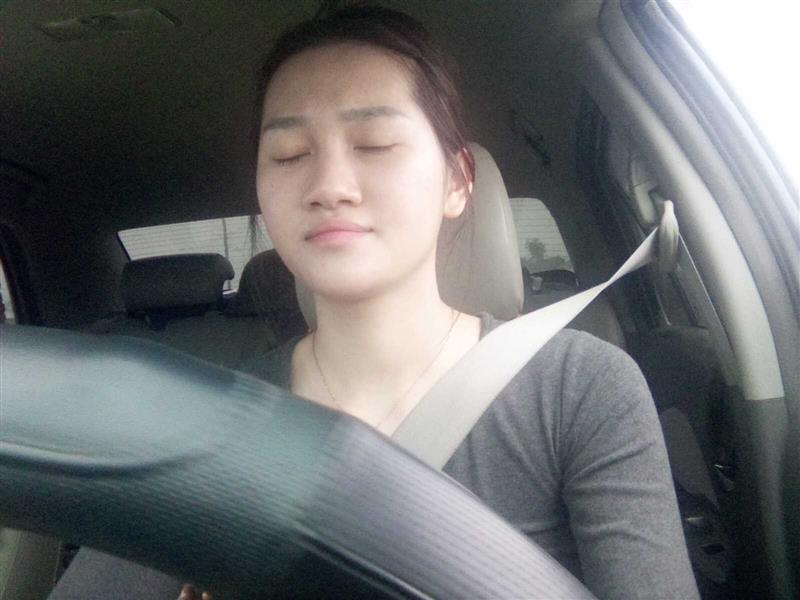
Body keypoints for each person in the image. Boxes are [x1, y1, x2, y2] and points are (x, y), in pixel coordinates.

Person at [50, 5, 699, 600]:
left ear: (457, 182)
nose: (329, 185)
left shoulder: (578, 389)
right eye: (289, 154)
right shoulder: (211, 428)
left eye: (376, 144)